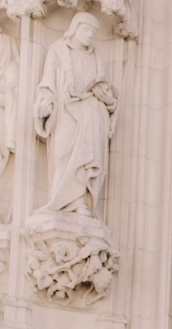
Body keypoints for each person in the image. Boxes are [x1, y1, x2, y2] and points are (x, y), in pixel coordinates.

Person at [34, 12, 117, 217]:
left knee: (86, 158)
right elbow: (48, 84)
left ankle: (80, 202)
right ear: (75, 28)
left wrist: (108, 99)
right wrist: (45, 103)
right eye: (87, 30)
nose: (90, 35)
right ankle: (62, 202)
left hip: (90, 113)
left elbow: (106, 90)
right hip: (65, 113)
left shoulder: (96, 57)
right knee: (63, 153)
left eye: (94, 32)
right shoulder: (57, 52)